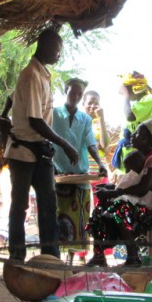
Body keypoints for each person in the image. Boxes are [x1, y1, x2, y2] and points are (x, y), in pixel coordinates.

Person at [5, 29, 79, 260]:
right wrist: (65, 143)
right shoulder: (30, 75)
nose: (59, 55)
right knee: (20, 207)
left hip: (41, 150)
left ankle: (51, 256)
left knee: (48, 205)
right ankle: (17, 257)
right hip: (23, 151)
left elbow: (13, 99)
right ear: (45, 46)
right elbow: (35, 120)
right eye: (58, 50)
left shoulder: (42, 74)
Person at [88, 118, 152, 266]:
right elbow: (130, 184)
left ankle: (133, 256)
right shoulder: (139, 159)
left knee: (120, 209)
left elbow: (142, 189)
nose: (132, 135)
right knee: (100, 208)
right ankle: (99, 255)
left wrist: (112, 193)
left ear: (148, 139)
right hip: (141, 205)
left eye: (138, 133)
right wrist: (109, 190)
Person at [51, 78, 108, 243]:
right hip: (59, 176)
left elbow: (91, 144)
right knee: (60, 220)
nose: (75, 96)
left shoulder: (86, 120)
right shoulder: (54, 114)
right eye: (72, 92)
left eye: (79, 93)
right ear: (65, 92)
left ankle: (74, 261)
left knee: (79, 223)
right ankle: (60, 261)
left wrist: (100, 163)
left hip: (80, 177)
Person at [112, 71, 152, 167]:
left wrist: (126, 96)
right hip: (128, 153)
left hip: (137, 155)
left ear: (134, 87)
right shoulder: (136, 104)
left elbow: (130, 116)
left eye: (126, 88)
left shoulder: (150, 99)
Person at [81, 89, 111, 173]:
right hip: (82, 171)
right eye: (90, 103)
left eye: (96, 103)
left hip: (100, 171)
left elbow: (104, 145)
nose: (93, 106)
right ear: (83, 104)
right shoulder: (78, 122)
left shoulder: (104, 124)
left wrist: (101, 118)